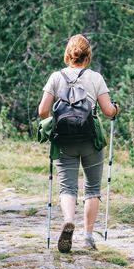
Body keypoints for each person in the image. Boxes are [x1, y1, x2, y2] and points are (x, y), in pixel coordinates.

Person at [38, 34, 120, 253]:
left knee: (67, 186)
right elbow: (108, 111)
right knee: (92, 188)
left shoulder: (56, 77)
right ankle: (88, 236)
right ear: (88, 55)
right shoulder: (96, 78)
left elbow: (42, 110)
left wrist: (52, 123)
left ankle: (68, 220)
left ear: (68, 53)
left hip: (64, 140)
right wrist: (116, 109)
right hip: (90, 140)